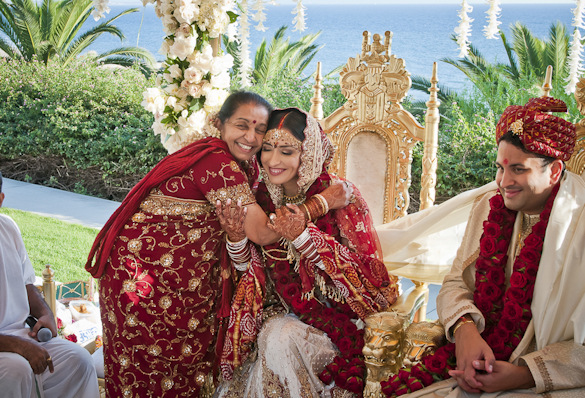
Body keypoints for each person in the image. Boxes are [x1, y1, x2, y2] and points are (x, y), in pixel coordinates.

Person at [85, 93, 350, 398]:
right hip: (147, 278)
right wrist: (320, 203)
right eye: (241, 126)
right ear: (218, 124)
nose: (251, 138)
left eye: (260, 129)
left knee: (175, 367)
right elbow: (263, 233)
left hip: (170, 275)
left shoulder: (240, 163)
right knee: (159, 367)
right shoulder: (218, 163)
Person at [381, 97, 585, 398]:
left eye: (519, 170)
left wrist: (524, 375)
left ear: (554, 171)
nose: (503, 181)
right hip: (481, 360)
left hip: (550, 379)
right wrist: (465, 329)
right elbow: (456, 281)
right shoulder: (489, 206)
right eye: (500, 168)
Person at [215, 108, 399, 397]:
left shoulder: (341, 196)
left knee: (281, 339)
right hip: (279, 317)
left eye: (287, 151)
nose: (273, 161)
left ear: (309, 153)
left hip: (338, 324)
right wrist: (237, 240)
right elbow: (248, 275)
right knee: (276, 336)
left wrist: (303, 236)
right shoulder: (259, 199)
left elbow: (369, 291)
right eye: (267, 149)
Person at [0, 171, 100, 398]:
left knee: (79, 360)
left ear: (0, 200)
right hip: (9, 348)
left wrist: (46, 314)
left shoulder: (8, 228)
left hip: (22, 335)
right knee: (18, 370)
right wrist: (19, 347)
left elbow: (27, 285)